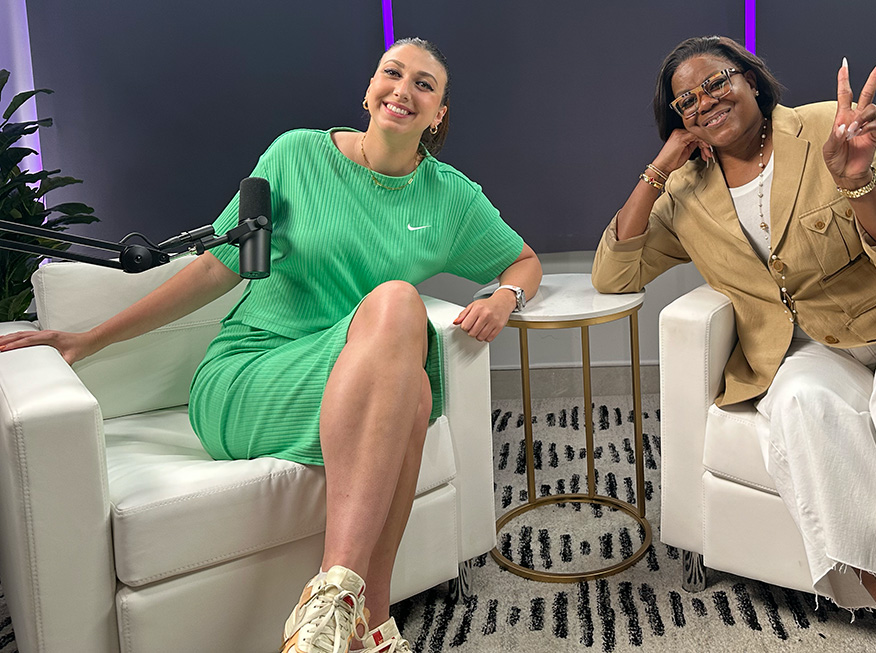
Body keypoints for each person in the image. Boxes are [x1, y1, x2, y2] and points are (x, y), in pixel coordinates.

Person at [0, 37, 541, 653]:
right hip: (251, 374)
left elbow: (523, 261)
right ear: (368, 91)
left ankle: (353, 622)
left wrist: (505, 298)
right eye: (392, 73)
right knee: (398, 312)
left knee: (412, 388)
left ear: (439, 113)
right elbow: (215, 267)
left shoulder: (451, 197)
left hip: (355, 381)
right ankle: (340, 605)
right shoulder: (295, 155)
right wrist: (89, 340)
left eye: (424, 84)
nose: (403, 90)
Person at [591, 35, 876, 653]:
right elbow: (613, 272)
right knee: (799, 407)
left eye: (716, 82)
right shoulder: (686, 192)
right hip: (804, 354)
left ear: (751, 81)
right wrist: (662, 166)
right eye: (685, 102)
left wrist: (858, 183)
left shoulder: (826, 129)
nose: (704, 101)